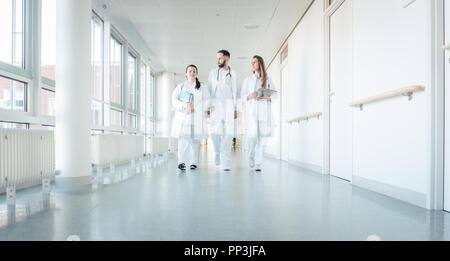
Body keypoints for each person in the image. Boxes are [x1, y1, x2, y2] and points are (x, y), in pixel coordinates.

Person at [241, 55, 278, 171]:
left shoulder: (268, 80)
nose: (252, 64)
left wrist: (268, 97)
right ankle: (251, 157)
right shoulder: (248, 80)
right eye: (251, 62)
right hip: (252, 113)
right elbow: (242, 96)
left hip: (264, 114)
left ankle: (258, 163)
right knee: (252, 138)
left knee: (263, 139)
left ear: (260, 64)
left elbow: (275, 94)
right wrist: (249, 96)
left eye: (254, 62)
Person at [207, 50, 242, 171]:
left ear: (227, 59)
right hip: (215, 105)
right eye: (217, 58)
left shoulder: (234, 74)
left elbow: (238, 93)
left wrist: (237, 109)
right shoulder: (212, 73)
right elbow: (209, 90)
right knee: (214, 132)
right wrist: (207, 106)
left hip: (229, 105)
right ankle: (217, 151)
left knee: (229, 133)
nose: (218, 61)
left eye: (220, 58)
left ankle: (226, 161)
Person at [171, 65, 210, 171]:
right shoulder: (180, 87)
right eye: (190, 71)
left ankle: (193, 162)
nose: (192, 73)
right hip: (184, 117)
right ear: (186, 73)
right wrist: (184, 105)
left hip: (196, 117)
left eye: (194, 71)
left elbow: (207, 100)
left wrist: (196, 108)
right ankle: (181, 162)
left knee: (195, 140)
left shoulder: (202, 87)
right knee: (183, 139)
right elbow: (174, 100)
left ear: (196, 73)